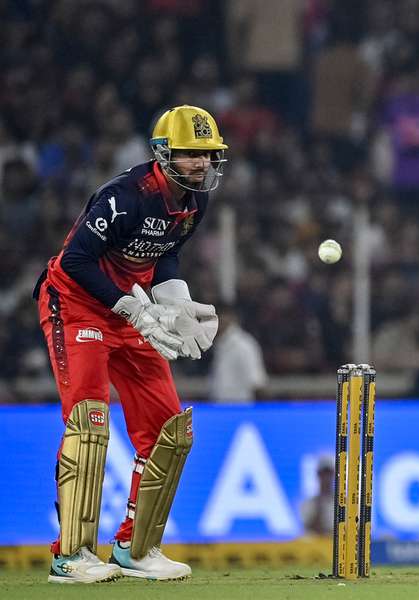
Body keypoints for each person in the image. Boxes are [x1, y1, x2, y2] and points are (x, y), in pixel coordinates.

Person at [34, 105, 226, 583]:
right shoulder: (125, 196)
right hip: (75, 304)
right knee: (89, 422)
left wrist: (175, 303)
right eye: (189, 154)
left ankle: (135, 548)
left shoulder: (195, 203)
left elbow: (166, 256)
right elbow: (76, 260)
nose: (200, 164)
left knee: (168, 430)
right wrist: (135, 309)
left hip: (130, 309)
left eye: (207, 154)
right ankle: (70, 555)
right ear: (163, 154)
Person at [209, 305, 268, 403]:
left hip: (241, 408)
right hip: (220, 408)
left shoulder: (244, 345)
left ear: (232, 318)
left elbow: (257, 382)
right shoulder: (219, 344)